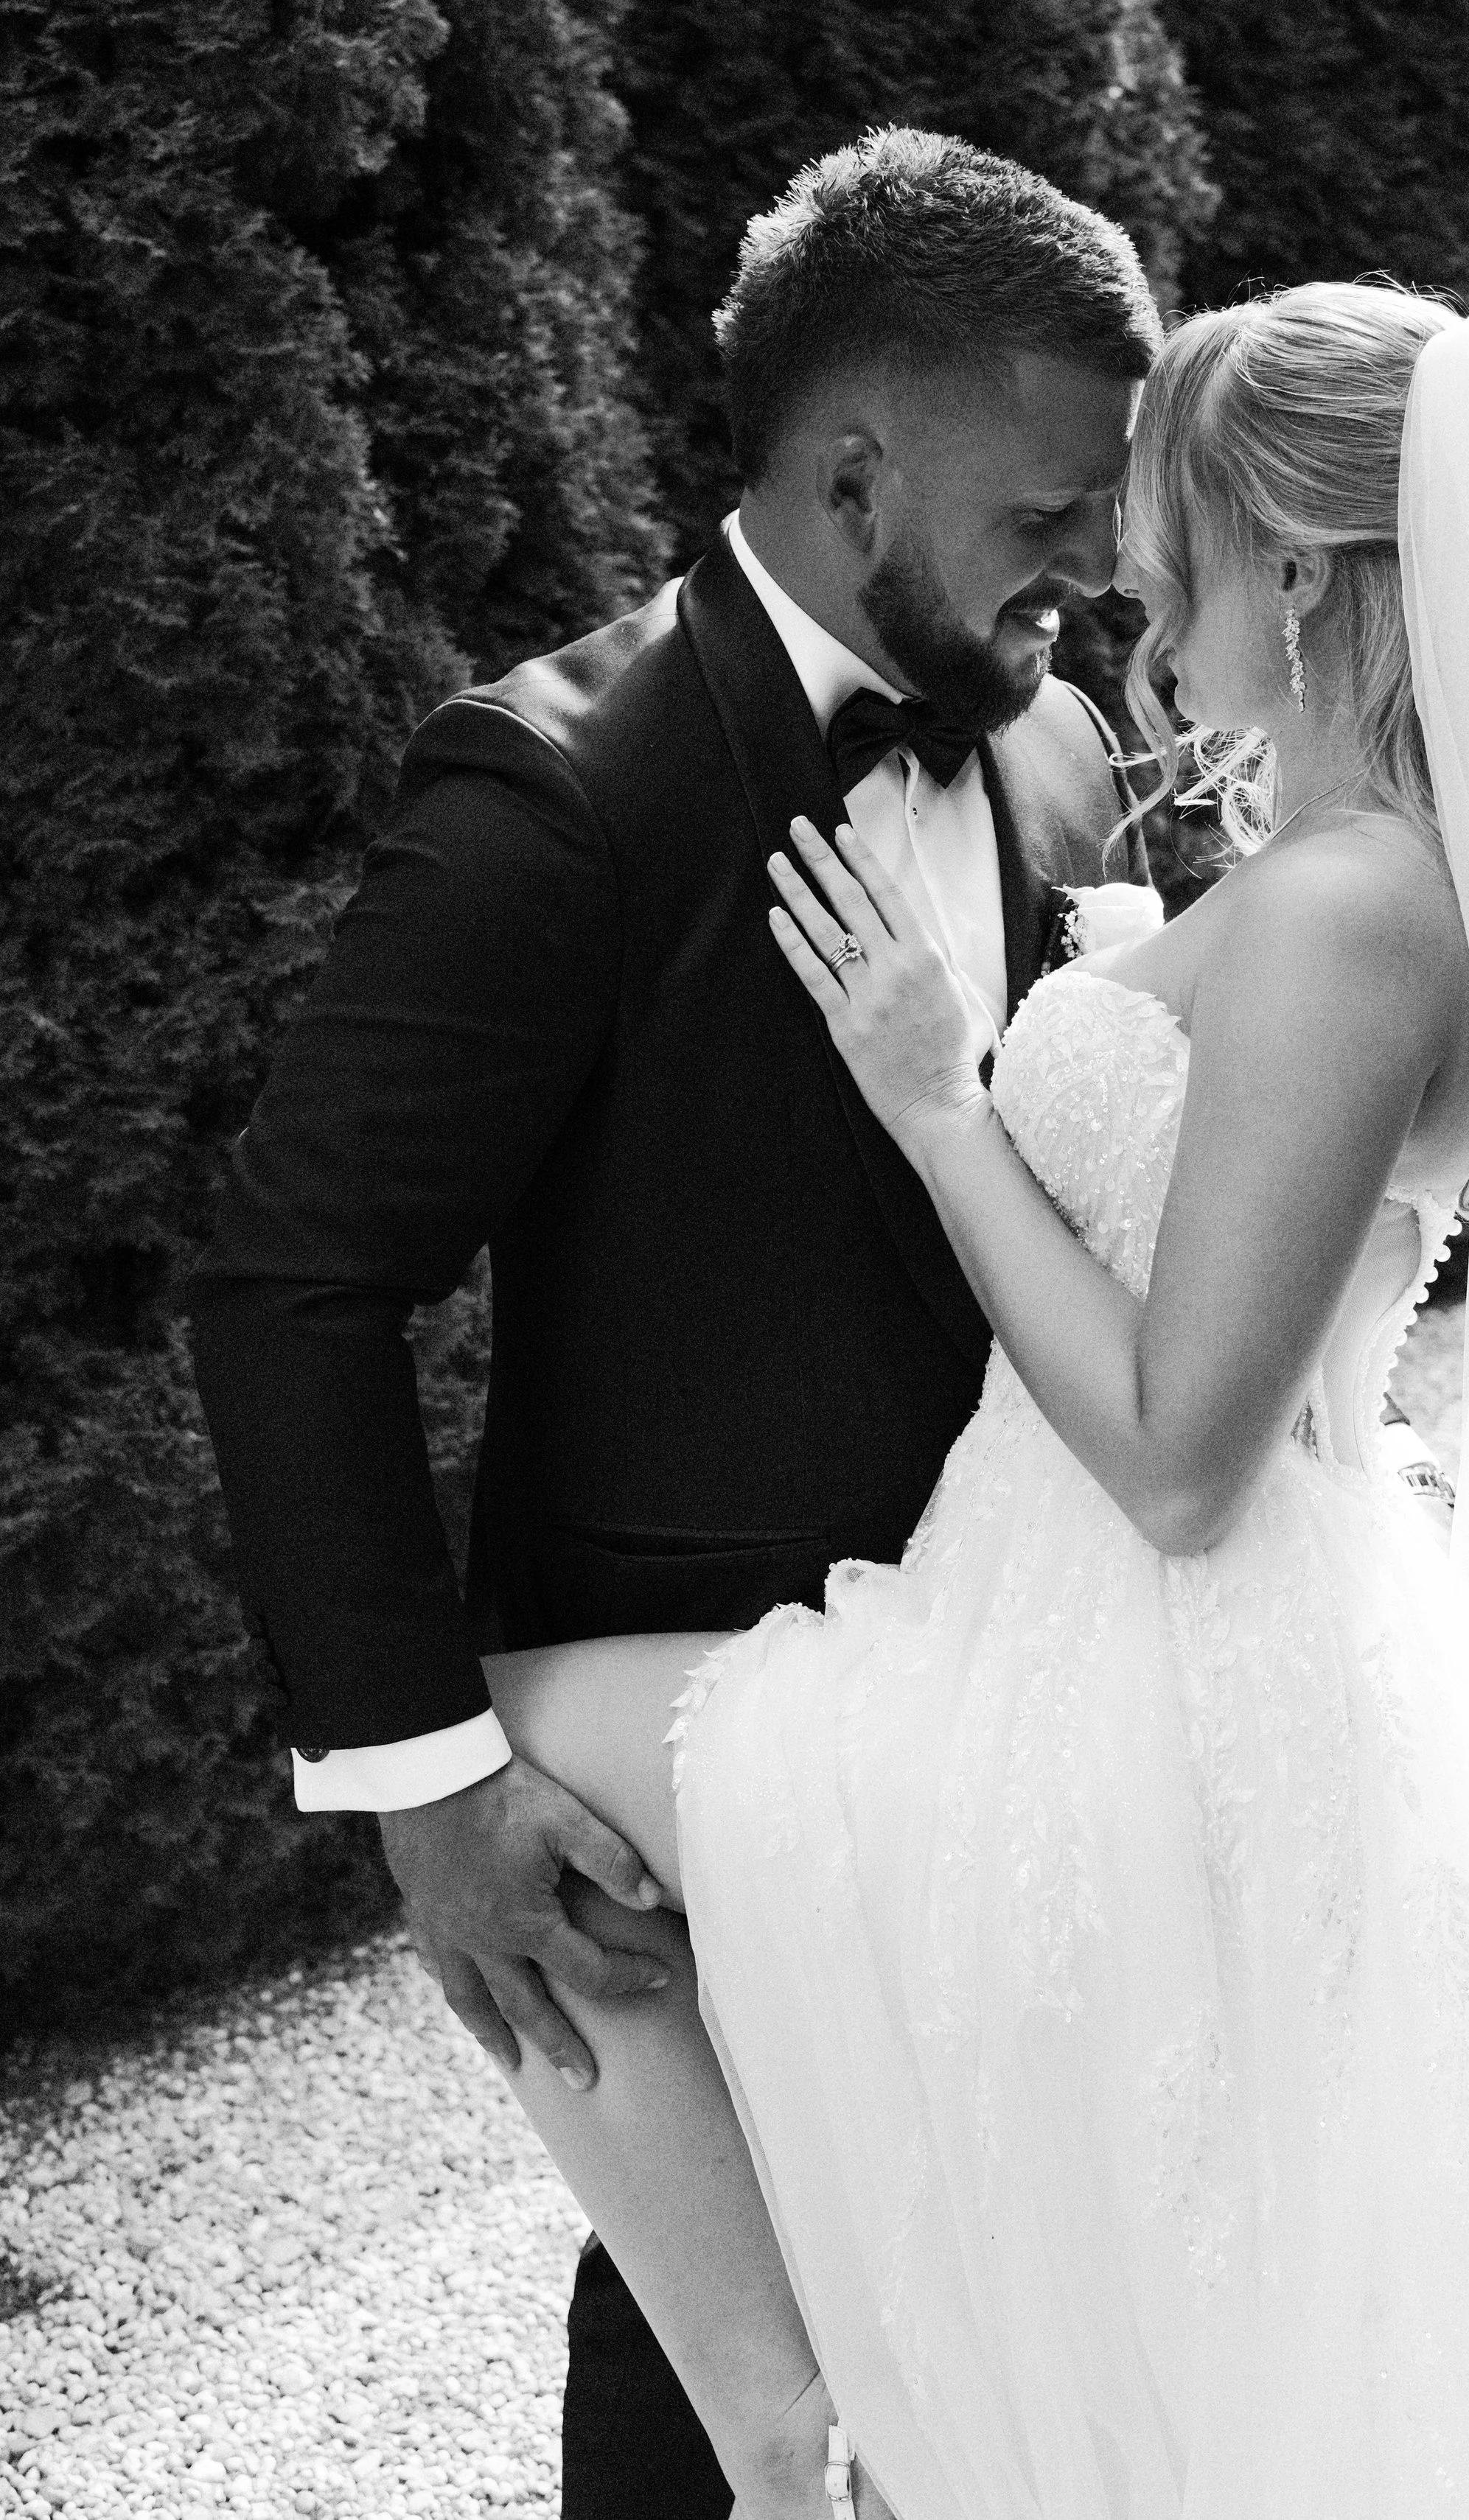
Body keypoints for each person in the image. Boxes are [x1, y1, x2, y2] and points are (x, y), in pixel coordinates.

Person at [471, 286, 1469, 2518]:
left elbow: (1182, 1456)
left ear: (1299, 569)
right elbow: (1310, 1307)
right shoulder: (1354, 877)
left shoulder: (1348, 903)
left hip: (1131, 1651)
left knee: (508, 1729)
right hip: (1187, 1633)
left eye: (1177, 541)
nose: (1132, 595)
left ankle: (786, 2429)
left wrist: (939, 1099)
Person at [187, 125, 1161, 2520]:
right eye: (1050, 514)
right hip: (692, 1765)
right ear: (850, 475)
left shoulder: (1056, 744)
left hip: (1030, 1705)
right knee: (742, 2382)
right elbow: (289, 1277)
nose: (1101, 569)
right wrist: (427, 1787)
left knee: (1023, 2330)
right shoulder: (555, 796)